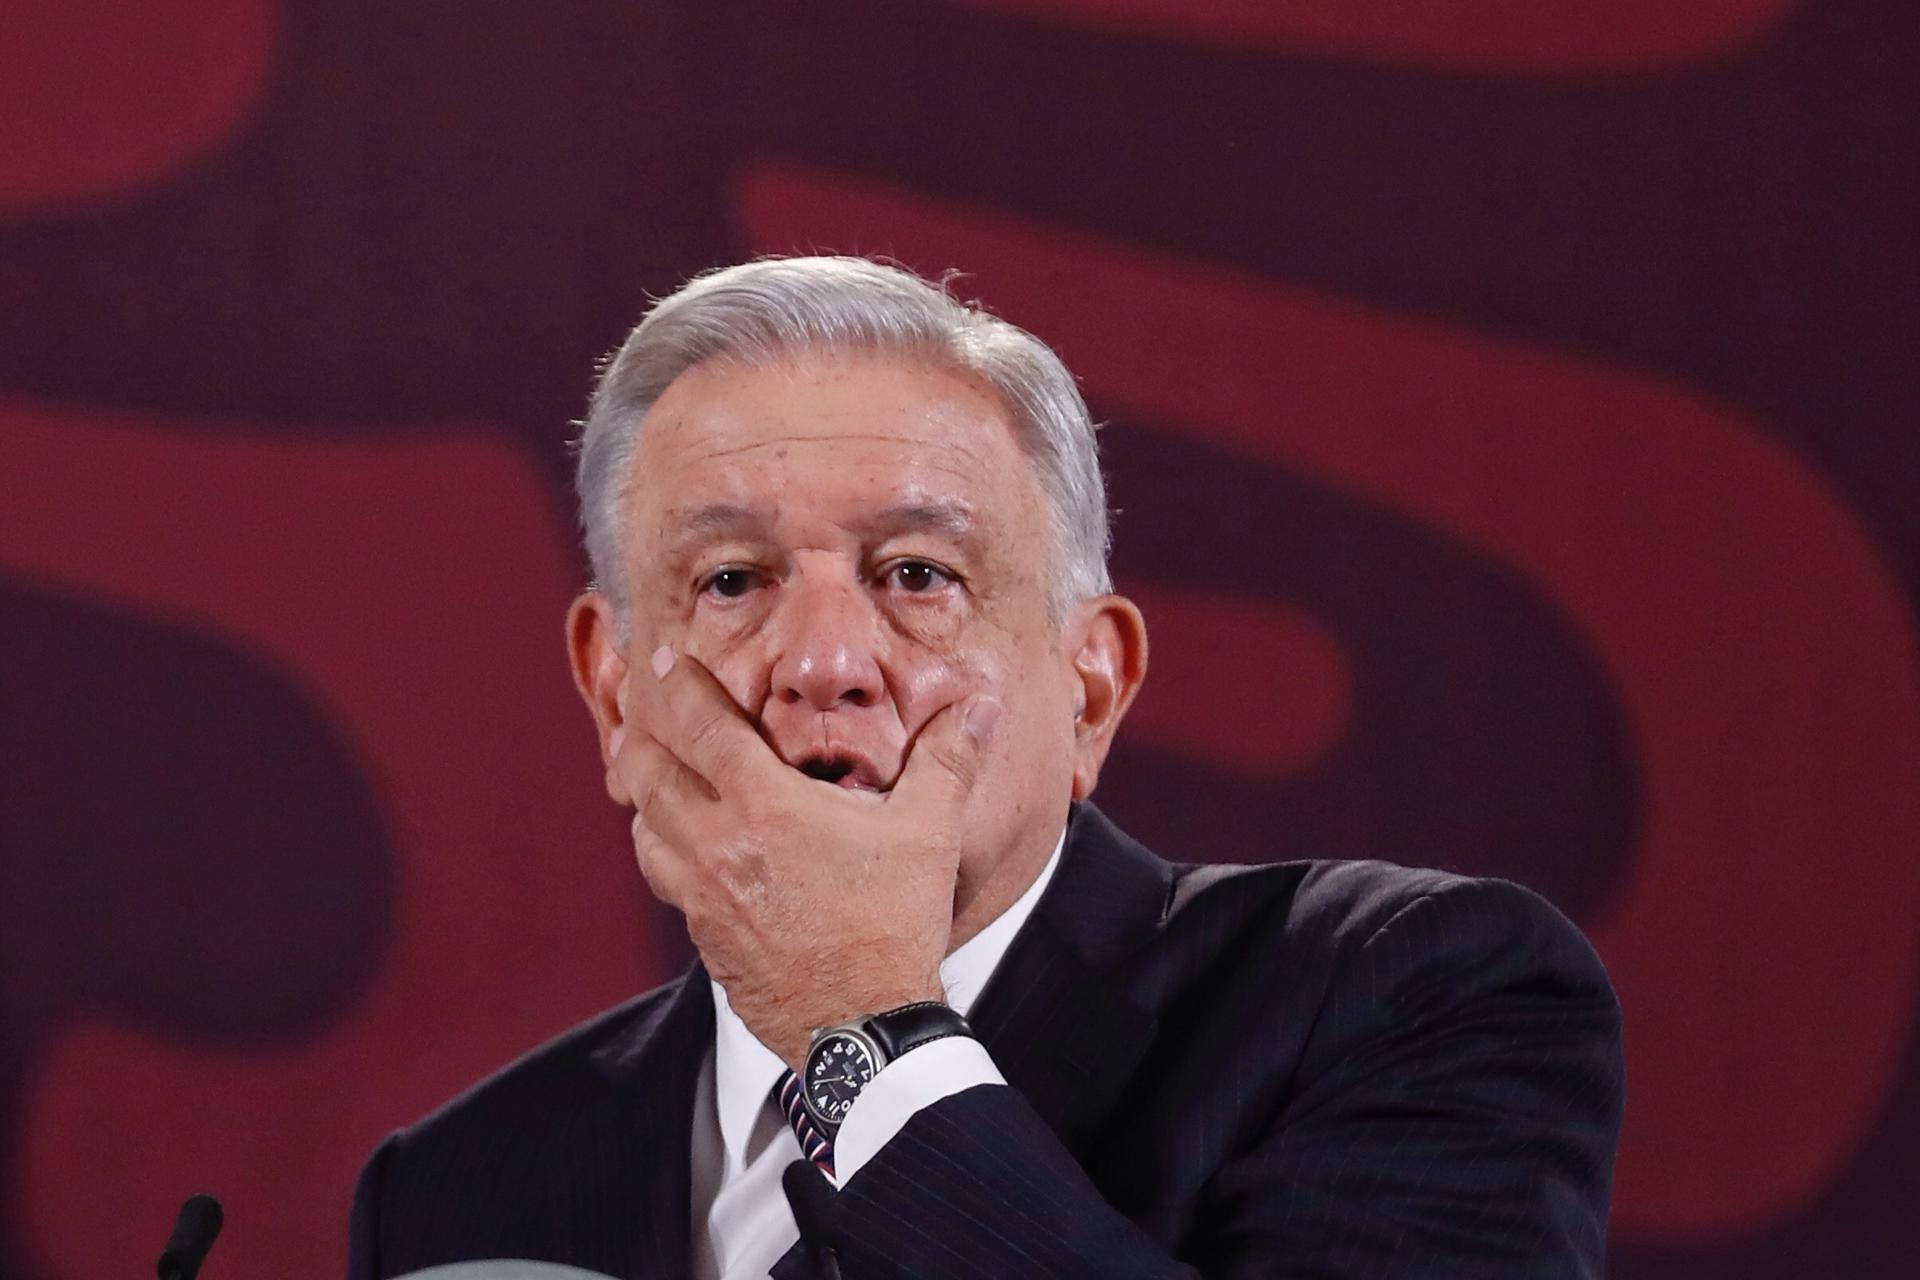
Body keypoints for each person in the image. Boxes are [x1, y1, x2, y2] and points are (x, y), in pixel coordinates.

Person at [347, 256, 1623, 1279]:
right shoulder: (460, 1184)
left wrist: (862, 1025)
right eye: (733, 580)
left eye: (918, 575)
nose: (826, 661)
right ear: (616, 690)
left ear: (1092, 684)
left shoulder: (1408, 999)